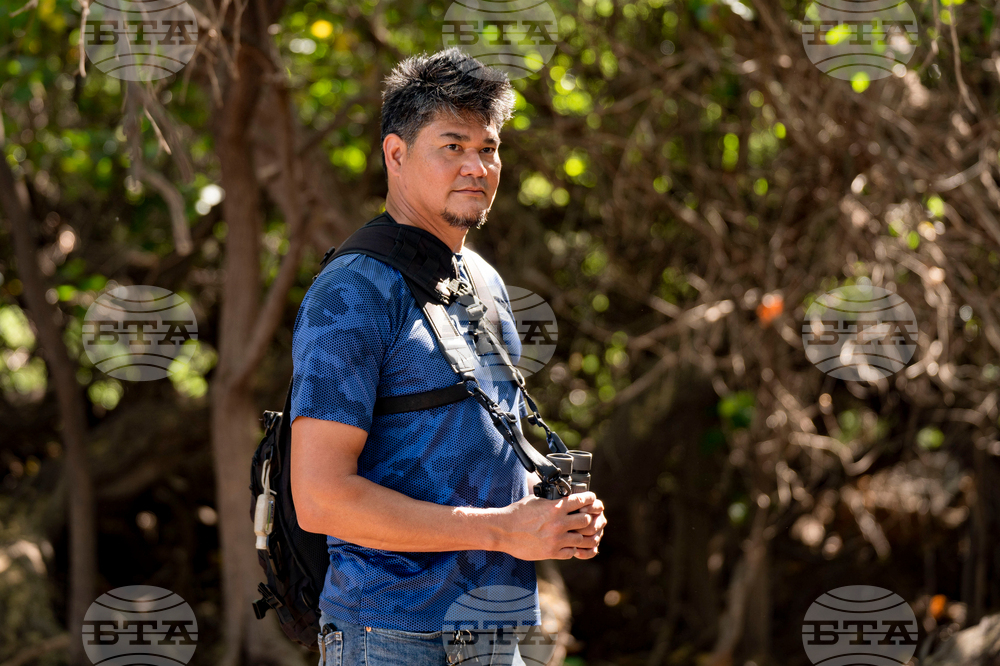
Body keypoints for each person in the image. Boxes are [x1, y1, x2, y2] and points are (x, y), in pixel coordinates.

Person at [289, 47, 607, 666]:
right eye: (452, 146)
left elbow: (481, 439)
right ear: (397, 154)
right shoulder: (352, 289)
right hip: (389, 638)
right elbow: (321, 497)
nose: (476, 167)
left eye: (487, 149)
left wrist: (554, 513)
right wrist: (500, 529)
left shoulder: (483, 280)